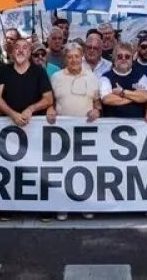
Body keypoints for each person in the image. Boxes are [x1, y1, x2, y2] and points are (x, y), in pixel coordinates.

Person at [50, 43, 102, 220]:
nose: (73, 60)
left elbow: (97, 102)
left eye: (76, 56)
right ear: (65, 59)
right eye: (69, 57)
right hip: (62, 133)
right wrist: (50, 109)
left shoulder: (92, 76)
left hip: (86, 132)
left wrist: (97, 111)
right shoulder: (56, 77)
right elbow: (49, 101)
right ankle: (63, 206)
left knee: (84, 170)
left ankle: (85, 204)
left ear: (82, 58)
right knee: (63, 170)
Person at [0, 40, 54, 127]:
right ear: (12, 52)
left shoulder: (39, 71)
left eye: (24, 48)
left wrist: (31, 109)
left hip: (35, 125)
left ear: (29, 52)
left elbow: (48, 99)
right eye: (17, 48)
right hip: (6, 124)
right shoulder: (2, 71)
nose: (20, 50)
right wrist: (13, 115)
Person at [100, 42, 147, 121]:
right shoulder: (106, 77)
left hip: (138, 126)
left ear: (132, 59)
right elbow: (107, 99)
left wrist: (123, 92)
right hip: (112, 125)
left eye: (127, 56)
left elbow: (146, 96)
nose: (123, 59)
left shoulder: (140, 76)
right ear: (114, 59)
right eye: (120, 56)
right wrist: (135, 99)